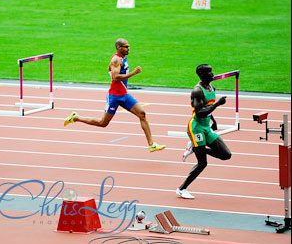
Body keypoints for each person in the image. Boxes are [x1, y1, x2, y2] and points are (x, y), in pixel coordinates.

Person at [63, 38, 165, 152]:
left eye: (128, 46)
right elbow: (116, 78)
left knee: (142, 113)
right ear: (118, 47)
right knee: (103, 123)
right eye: (126, 47)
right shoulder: (116, 60)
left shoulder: (123, 58)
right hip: (115, 96)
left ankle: (151, 144)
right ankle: (76, 117)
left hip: (124, 94)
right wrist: (133, 73)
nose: (128, 49)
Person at [176, 64, 232, 199]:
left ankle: (195, 147)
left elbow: (207, 107)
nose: (212, 74)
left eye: (212, 71)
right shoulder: (197, 91)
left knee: (226, 155)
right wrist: (217, 104)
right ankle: (181, 189)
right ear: (201, 75)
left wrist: (213, 120)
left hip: (206, 126)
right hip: (196, 128)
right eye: (209, 72)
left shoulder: (212, 87)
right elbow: (200, 112)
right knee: (203, 163)